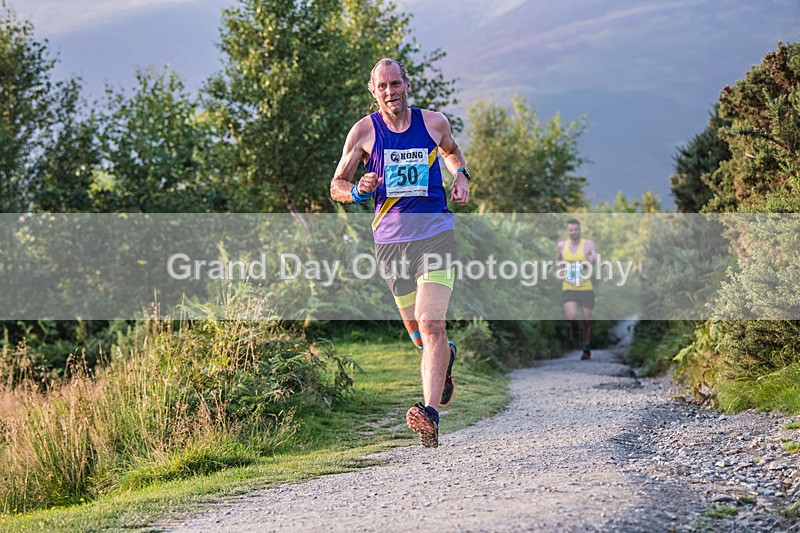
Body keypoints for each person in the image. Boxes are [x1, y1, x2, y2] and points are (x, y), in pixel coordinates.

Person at [330, 58, 471, 447]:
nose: (390, 92)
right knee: (418, 336)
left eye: (396, 83)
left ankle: (429, 414)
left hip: (435, 236)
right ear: (373, 92)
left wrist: (461, 175)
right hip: (391, 245)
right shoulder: (362, 132)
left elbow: (453, 152)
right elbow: (336, 185)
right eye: (382, 86)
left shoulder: (433, 123)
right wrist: (358, 190)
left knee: (431, 324)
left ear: (407, 85)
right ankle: (446, 355)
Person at [557, 218, 597, 360]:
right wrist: (560, 266)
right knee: (571, 315)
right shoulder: (562, 246)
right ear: (568, 231)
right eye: (571, 230)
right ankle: (573, 327)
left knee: (587, 322)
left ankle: (586, 348)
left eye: (576, 229)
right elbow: (558, 260)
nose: (573, 232)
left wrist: (592, 259)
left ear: (580, 230)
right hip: (569, 286)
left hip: (585, 287)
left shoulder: (588, 244)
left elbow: (595, 259)